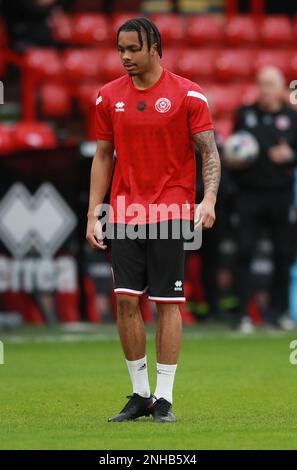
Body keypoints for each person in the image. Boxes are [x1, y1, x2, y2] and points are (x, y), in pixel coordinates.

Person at [86, 17, 220, 422]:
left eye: (132, 49)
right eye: (120, 50)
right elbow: (103, 156)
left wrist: (208, 198)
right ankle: (139, 393)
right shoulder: (108, 96)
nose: (125, 57)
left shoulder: (189, 95)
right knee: (126, 300)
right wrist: (95, 211)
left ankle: (164, 397)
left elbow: (209, 153)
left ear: (154, 47)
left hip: (171, 208)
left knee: (167, 302)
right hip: (125, 210)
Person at [232, 66, 297, 333]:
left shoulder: (291, 118)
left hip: (280, 194)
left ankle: (278, 312)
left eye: (270, 84)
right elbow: (233, 147)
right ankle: (242, 315)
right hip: (248, 194)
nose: (265, 90)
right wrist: (233, 157)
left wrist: (290, 155)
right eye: (261, 84)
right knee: (244, 251)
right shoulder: (244, 114)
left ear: (281, 89)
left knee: (282, 253)